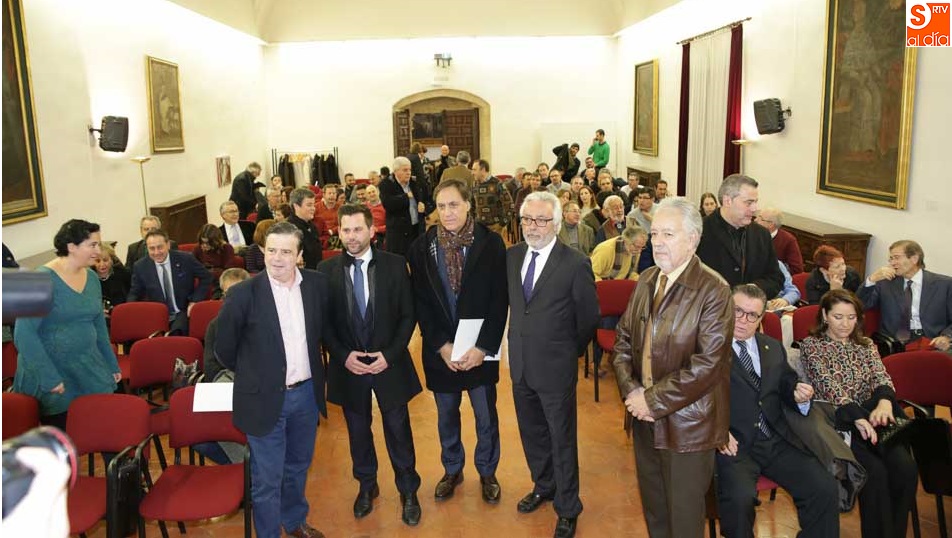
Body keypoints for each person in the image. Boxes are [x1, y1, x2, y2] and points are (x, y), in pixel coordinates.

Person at [611, 197, 733, 538]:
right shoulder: (648, 278)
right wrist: (631, 391)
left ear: (692, 239)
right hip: (645, 421)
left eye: (668, 234)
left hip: (688, 426)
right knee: (656, 511)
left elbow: (707, 365)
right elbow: (622, 342)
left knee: (683, 520)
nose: (658, 242)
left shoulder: (714, 290)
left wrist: (651, 401)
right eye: (654, 235)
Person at [215, 221, 331, 538]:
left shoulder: (317, 286)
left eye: (285, 252)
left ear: (299, 255)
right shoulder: (242, 295)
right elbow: (222, 347)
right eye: (271, 250)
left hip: (305, 395)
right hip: (263, 399)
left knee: (297, 467)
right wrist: (255, 374)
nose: (277, 258)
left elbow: (326, 333)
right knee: (266, 479)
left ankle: (293, 522)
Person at [317, 204, 423, 525]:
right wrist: (342, 355)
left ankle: (408, 488)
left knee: (398, 427)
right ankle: (367, 485)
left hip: (388, 363)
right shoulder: (326, 271)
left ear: (372, 230)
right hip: (348, 366)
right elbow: (324, 324)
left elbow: (408, 316)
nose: (351, 236)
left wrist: (389, 355)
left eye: (357, 229)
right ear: (338, 232)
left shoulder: (395, 265)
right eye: (345, 230)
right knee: (357, 429)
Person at [408, 179, 508, 507]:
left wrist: (483, 348)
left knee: (485, 416)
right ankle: (452, 469)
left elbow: (499, 300)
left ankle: (487, 471)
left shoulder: (490, 244)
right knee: (446, 416)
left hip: (480, 350)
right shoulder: (421, 248)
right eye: (441, 206)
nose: (448, 212)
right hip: (443, 352)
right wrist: (441, 346)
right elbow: (420, 302)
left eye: (454, 205)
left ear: (468, 205)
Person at [507, 191, 599, 538]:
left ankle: (568, 506)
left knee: (561, 438)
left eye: (542, 220)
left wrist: (566, 352)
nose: (534, 226)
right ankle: (543, 486)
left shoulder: (575, 263)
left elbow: (588, 318)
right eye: (528, 219)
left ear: (557, 224)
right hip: (520, 365)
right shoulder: (512, 256)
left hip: (556, 368)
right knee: (531, 433)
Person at [716, 284, 839, 538]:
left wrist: (797, 392)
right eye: (737, 310)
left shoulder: (771, 347)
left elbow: (786, 382)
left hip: (775, 439)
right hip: (733, 443)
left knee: (824, 487)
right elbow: (696, 398)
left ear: (761, 319)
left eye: (752, 315)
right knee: (739, 501)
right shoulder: (708, 348)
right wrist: (716, 430)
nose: (743, 320)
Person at [800, 290, 918, 538]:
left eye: (851, 317)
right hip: (844, 425)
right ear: (824, 315)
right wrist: (859, 416)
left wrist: (886, 401)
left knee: (905, 471)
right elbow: (828, 386)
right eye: (838, 317)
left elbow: (881, 376)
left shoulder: (865, 344)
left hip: (879, 419)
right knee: (874, 476)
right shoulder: (812, 346)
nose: (845, 324)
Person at [13, 220, 122, 429]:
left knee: (110, 423)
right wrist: (49, 378)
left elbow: (98, 325)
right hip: (53, 374)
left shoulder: (91, 277)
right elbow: (24, 335)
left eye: (99, 244)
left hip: (87, 367)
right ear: (72, 247)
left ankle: (122, 463)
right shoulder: (39, 280)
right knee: (66, 441)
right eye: (92, 245)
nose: (98, 251)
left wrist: (111, 363)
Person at [696, 174, 784, 299]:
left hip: (750, 314)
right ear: (728, 201)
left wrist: (753, 289)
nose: (755, 209)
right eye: (749, 203)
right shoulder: (698, 231)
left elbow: (775, 278)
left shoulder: (762, 235)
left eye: (755, 202)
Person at [858, 240, 952, 351]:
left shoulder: (944, 284)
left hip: (932, 341)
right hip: (894, 343)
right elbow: (860, 306)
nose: (892, 263)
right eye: (891, 259)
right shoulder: (885, 283)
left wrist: (947, 337)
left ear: (914, 259)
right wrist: (871, 279)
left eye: (896, 257)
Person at [128, 229, 212, 336]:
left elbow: (206, 277)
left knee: (177, 334)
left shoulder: (185, 259)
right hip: (157, 315)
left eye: (160, 247)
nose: (156, 252)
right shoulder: (141, 266)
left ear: (168, 245)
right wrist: (130, 310)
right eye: (152, 248)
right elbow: (135, 292)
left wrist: (195, 301)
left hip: (182, 311)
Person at [381, 156, 432, 256]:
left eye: (409, 170)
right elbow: (388, 204)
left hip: (416, 230)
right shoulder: (386, 184)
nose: (408, 172)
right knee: (399, 263)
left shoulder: (415, 183)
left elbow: (429, 200)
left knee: (417, 261)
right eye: (405, 170)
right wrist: (405, 197)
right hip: (398, 234)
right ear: (396, 171)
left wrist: (424, 207)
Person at [471, 159, 514, 235]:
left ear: (483, 170)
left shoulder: (497, 184)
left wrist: (501, 224)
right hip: (479, 227)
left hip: (495, 227)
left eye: (474, 170)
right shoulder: (474, 184)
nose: (472, 173)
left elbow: (510, 205)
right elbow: (472, 205)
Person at [756, 207, 804, 274]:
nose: (755, 220)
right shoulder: (750, 232)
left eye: (760, 218)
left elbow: (796, 269)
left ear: (771, 224)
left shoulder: (788, 240)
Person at [286, 187, 323, 269]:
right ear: (296, 206)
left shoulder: (312, 226)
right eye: (309, 205)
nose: (313, 208)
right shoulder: (289, 230)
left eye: (313, 204)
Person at [95, 243, 131, 321]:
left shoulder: (123, 274)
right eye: (97, 261)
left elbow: (130, 299)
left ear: (112, 260)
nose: (102, 264)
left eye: (105, 260)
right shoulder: (89, 278)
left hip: (122, 317)